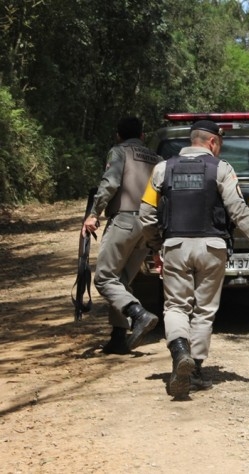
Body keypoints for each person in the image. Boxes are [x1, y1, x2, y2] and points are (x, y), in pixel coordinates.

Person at [139, 120, 249, 400]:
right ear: (212, 143)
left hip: (175, 246)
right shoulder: (222, 169)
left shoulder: (161, 169)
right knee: (204, 311)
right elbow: (239, 211)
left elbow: (146, 215)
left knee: (176, 307)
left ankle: (179, 354)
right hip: (212, 247)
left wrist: (157, 246)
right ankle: (193, 372)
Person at [82, 117, 162, 355]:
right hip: (148, 225)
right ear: (143, 135)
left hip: (124, 221)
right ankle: (118, 338)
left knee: (105, 279)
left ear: (118, 135)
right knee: (122, 280)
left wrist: (94, 213)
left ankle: (138, 313)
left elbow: (110, 183)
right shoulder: (156, 159)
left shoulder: (119, 152)